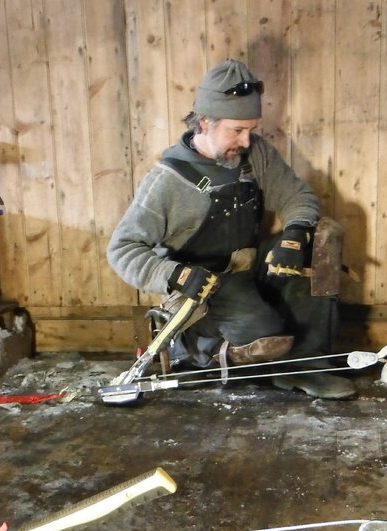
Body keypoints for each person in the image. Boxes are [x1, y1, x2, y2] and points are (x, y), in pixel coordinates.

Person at [106, 59, 355, 399]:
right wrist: (177, 275)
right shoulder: (167, 182)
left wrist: (295, 234)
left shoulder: (256, 155)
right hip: (204, 286)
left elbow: (297, 196)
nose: (247, 140)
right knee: (262, 332)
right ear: (205, 123)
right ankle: (193, 347)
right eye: (237, 130)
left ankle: (307, 367)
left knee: (316, 252)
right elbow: (122, 249)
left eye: (251, 129)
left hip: (246, 268)